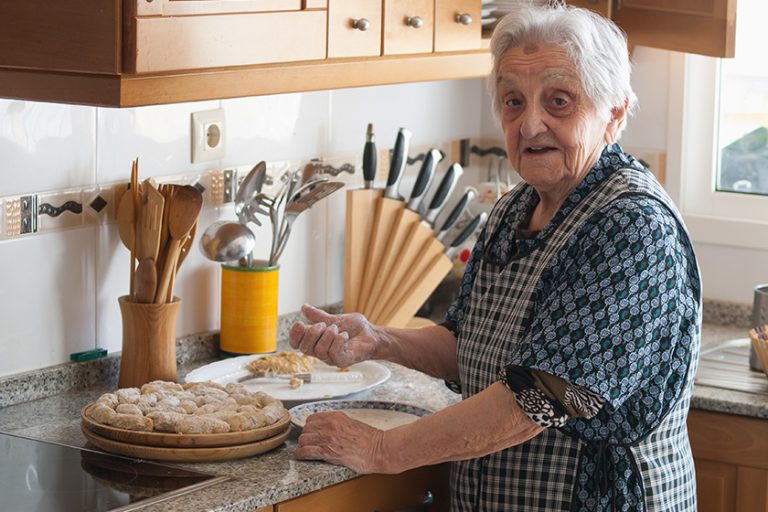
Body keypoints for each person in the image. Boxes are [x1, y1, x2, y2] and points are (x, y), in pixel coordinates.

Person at [288, 4, 701, 511]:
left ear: (614, 113)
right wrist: (381, 340)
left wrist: (382, 449)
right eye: (512, 101)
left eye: (559, 101)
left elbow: (540, 398)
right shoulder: (516, 208)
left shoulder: (630, 226)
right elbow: (470, 343)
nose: (530, 125)